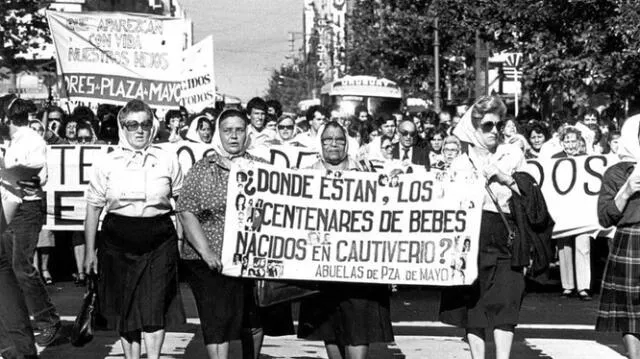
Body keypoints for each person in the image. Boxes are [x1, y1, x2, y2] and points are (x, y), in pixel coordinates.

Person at [84, 99, 185, 359]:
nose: (139, 130)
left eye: (146, 124)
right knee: (126, 308)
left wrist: (183, 240)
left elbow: (182, 203)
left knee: (154, 306)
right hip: (118, 239)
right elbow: (94, 209)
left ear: (153, 127)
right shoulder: (106, 162)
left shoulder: (167, 158)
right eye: (132, 125)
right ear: (122, 127)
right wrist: (88, 253)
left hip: (159, 237)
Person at [297, 121, 394, 359]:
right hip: (321, 265)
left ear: (347, 143)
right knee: (330, 326)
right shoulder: (306, 174)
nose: (333, 144)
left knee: (359, 327)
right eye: (327, 139)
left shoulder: (365, 172)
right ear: (320, 144)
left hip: (359, 265)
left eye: (339, 139)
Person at [440, 95, 527, 359]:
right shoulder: (461, 162)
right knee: (473, 303)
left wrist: (505, 178)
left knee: (506, 300)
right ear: (474, 129)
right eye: (487, 126)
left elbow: (530, 195)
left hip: (505, 231)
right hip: (472, 234)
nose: (494, 131)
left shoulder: (512, 153)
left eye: (498, 125)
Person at [0, 98, 61, 347]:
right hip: (9, 203)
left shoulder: (32, 140)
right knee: (7, 266)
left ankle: (48, 319)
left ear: (6, 118)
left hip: (27, 207)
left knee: (20, 266)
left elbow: (38, 175)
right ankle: (15, 321)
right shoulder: (12, 140)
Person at [596, 114, 640, 359]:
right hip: (631, 239)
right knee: (630, 308)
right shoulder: (616, 172)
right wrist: (626, 191)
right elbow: (604, 218)